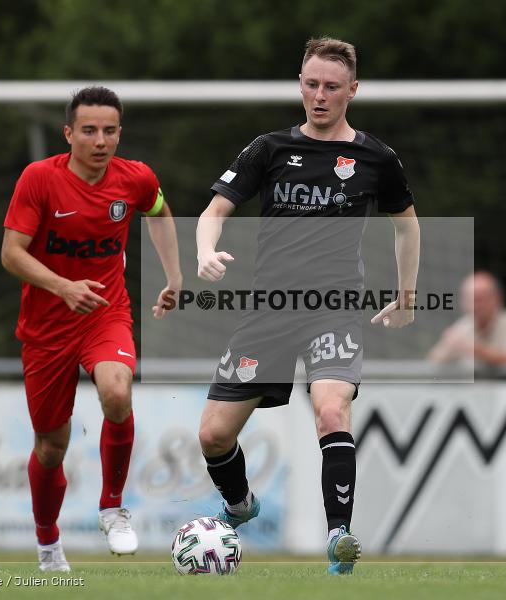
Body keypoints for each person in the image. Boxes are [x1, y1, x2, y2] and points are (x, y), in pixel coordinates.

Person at [195, 37, 420, 575]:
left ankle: (339, 536)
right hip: (269, 313)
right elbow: (213, 210)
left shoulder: (375, 158)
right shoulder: (269, 148)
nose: (319, 96)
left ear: (353, 91)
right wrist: (205, 249)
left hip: (334, 309)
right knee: (213, 435)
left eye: (332, 87)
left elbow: (406, 225)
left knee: (330, 409)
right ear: (301, 84)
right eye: (311, 84)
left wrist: (407, 294)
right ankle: (240, 505)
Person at [1, 86, 182, 572]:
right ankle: (47, 544)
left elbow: (160, 211)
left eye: (109, 130)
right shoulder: (39, 179)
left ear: (119, 132)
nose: (100, 140)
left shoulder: (135, 179)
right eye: (89, 130)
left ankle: (112, 507)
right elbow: (11, 254)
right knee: (50, 445)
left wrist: (174, 276)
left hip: (105, 312)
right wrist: (62, 286)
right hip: (46, 330)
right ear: (69, 133)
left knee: (117, 392)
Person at [427, 271, 506, 366]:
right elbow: (433, 361)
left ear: (497, 299)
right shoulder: (463, 326)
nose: (475, 305)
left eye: (480, 299)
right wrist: (448, 346)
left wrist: (473, 348)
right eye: (470, 299)